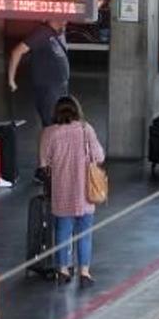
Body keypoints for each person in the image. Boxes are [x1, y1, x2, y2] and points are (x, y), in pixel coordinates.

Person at [40, 96, 105, 286]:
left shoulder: (49, 133)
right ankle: (84, 272)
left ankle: (63, 270)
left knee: (62, 231)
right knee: (84, 233)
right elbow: (99, 156)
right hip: (85, 192)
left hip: (62, 192)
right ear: (77, 111)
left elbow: (43, 163)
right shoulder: (86, 129)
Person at [8, 20, 70, 129]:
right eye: (64, 17)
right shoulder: (42, 33)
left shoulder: (56, 33)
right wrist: (11, 79)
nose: (67, 20)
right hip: (48, 88)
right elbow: (17, 51)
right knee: (52, 124)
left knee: (60, 123)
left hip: (59, 87)